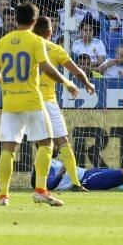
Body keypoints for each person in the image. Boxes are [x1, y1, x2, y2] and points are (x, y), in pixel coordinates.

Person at [0, 1, 79, 206]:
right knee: (47, 143)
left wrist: (7, 82)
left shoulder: (3, 41)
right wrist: (66, 82)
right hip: (32, 99)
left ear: (16, 19)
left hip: (10, 101)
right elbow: (46, 67)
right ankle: (40, 190)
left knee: (8, 148)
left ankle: (3, 196)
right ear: (34, 21)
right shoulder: (35, 40)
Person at [33, 16, 96, 191]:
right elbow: (76, 71)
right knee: (62, 142)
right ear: (50, 33)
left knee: (15, 142)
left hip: (25, 99)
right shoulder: (55, 49)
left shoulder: (25, 46)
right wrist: (87, 84)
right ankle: (76, 183)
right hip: (47, 100)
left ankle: (5, 183)